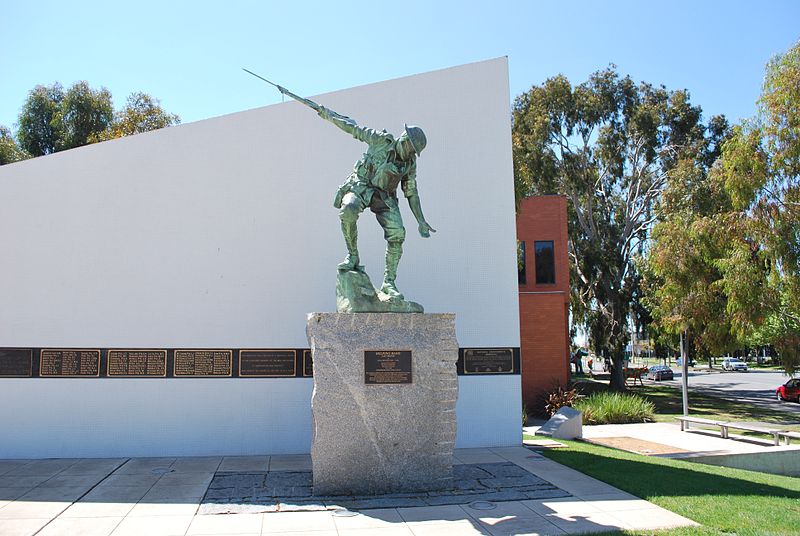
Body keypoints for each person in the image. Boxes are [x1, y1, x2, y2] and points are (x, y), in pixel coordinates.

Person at [317, 105, 436, 299]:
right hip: (361, 185)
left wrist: (421, 221)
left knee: (398, 233)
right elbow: (352, 128)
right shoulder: (380, 140)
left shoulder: (409, 164)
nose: (412, 154)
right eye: (412, 150)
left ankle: (389, 282)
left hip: (384, 197)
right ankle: (353, 255)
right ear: (405, 140)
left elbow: (411, 192)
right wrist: (328, 116)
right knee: (348, 210)